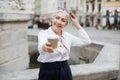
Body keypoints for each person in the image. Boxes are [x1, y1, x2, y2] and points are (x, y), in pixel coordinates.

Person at [37, 9, 91, 80]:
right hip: (48, 71)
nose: (59, 22)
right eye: (57, 18)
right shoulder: (43, 33)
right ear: (52, 19)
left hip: (65, 70)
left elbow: (86, 41)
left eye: (63, 20)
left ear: (65, 24)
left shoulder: (67, 36)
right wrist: (44, 47)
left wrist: (76, 24)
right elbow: (41, 46)